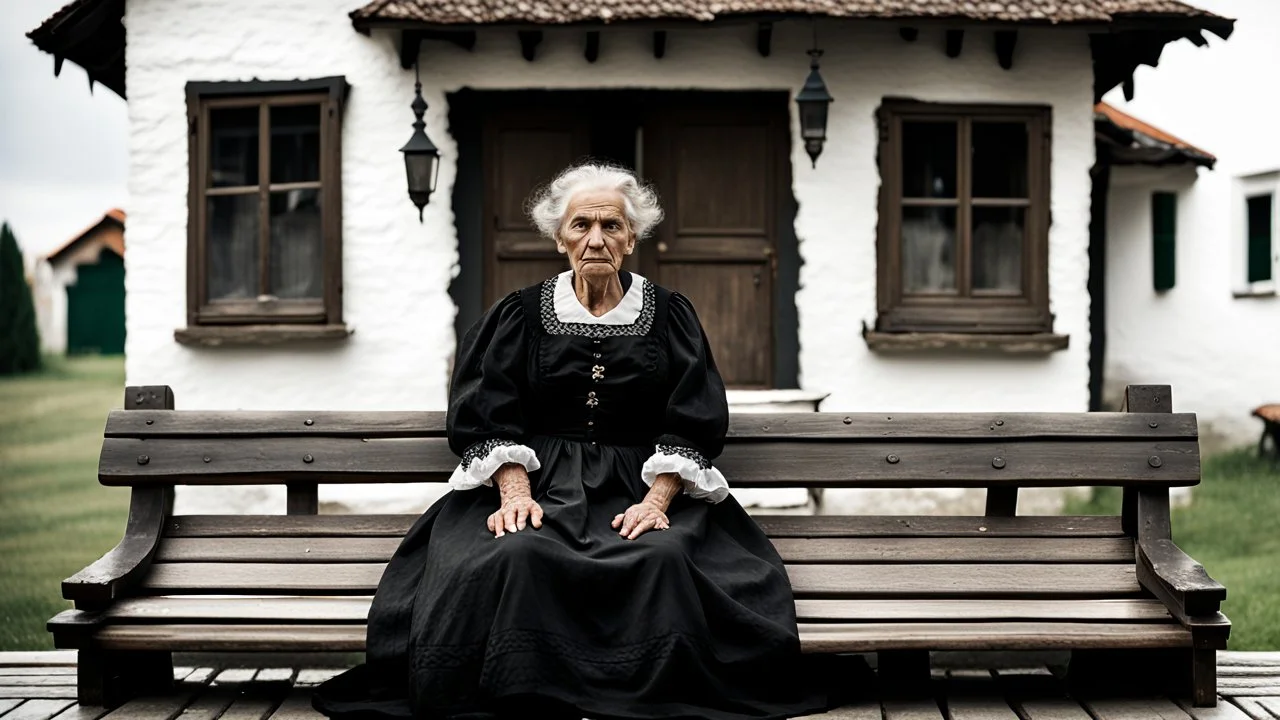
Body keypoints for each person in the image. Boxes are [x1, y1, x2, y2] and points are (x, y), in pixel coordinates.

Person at [313, 163, 856, 720]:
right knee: (518, 550)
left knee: (664, 554)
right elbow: (487, 408)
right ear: (559, 237)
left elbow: (693, 414)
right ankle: (522, 688)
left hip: (638, 483)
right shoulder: (519, 314)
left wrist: (658, 499)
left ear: (632, 237)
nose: (596, 239)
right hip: (537, 481)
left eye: (611, 225)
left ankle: (651, 690)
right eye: (581, 225)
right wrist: (515, 493)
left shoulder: (670, 314)